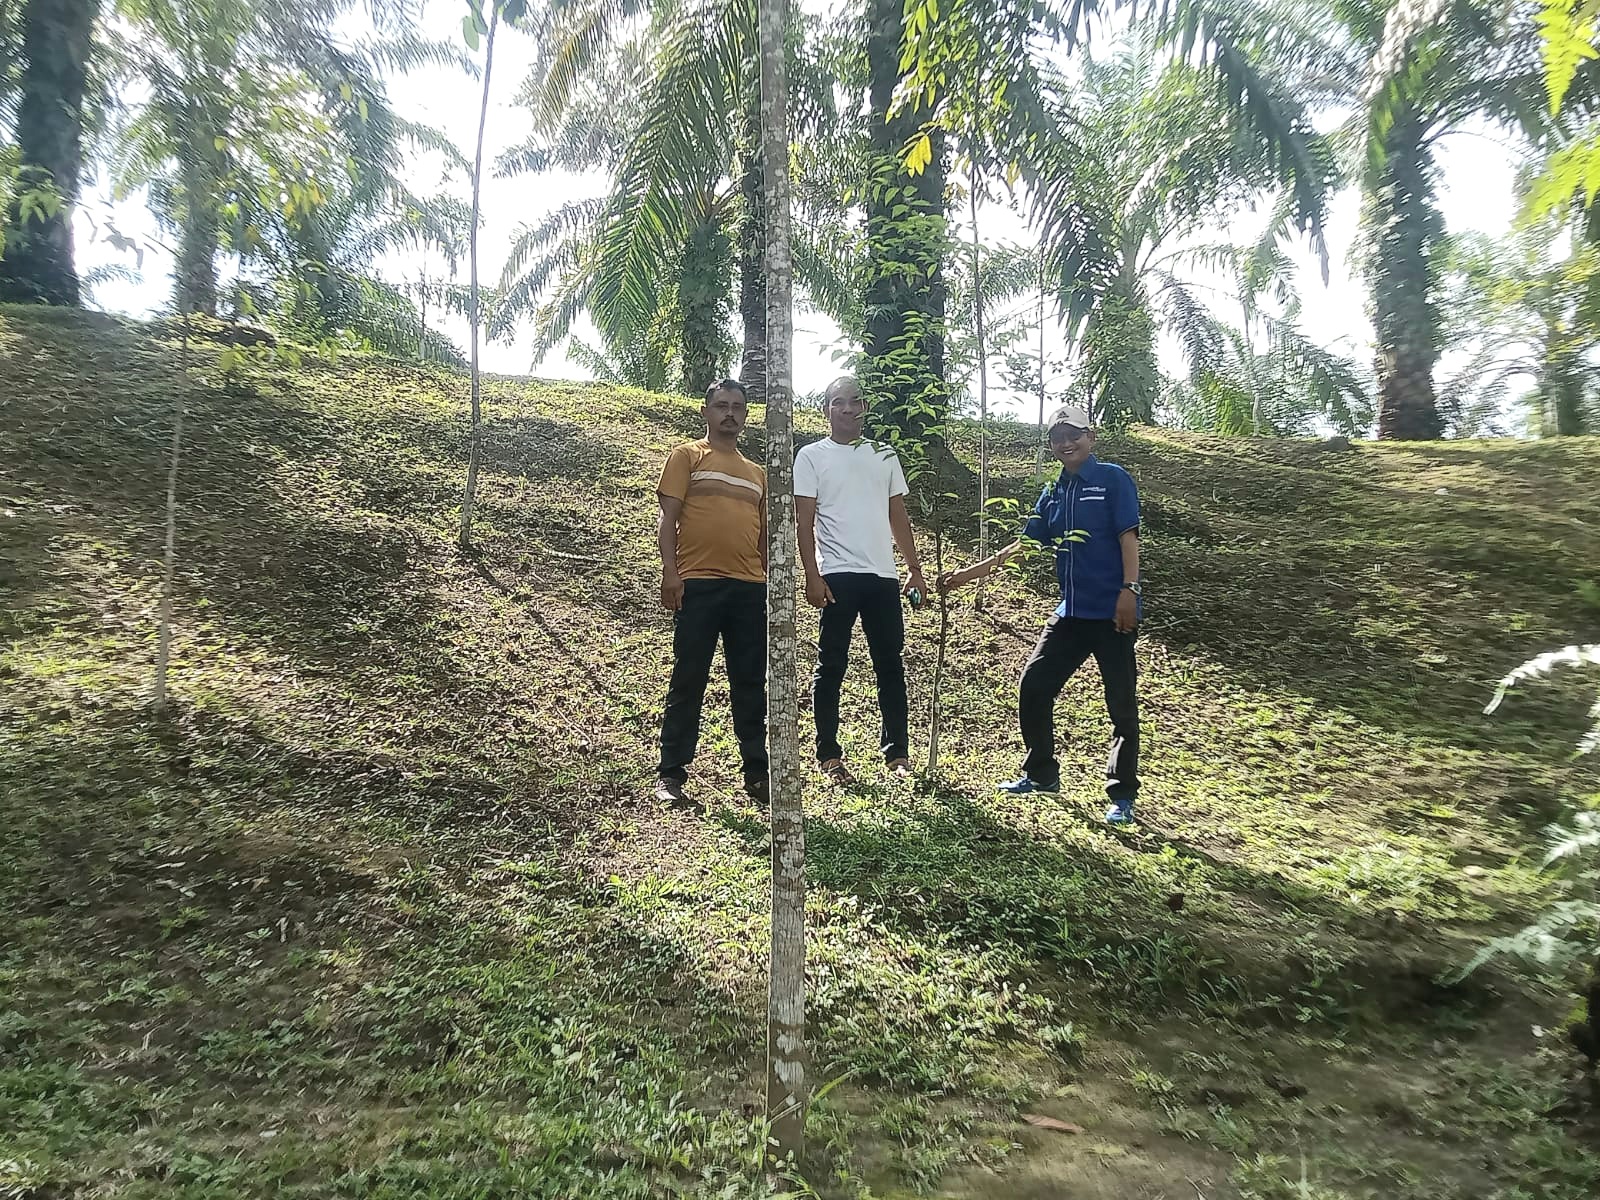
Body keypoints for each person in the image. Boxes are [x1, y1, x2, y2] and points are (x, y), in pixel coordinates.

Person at [938, 404, 1144, 824]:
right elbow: (1024, 546)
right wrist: (964, 577)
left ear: (1091, 437)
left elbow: (1129, 537)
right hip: (1071, 614)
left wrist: (1130, 590)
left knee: (1120, 703)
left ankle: (1122, 794)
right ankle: (1041, 774)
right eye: (1057, 437)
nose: (1066, 443)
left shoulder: (1112, 480)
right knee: (1034, 685)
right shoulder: (1054, 491)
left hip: (1112, 612)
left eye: (1074, 435)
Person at [795, 375, 928, 784]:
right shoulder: (811, 456)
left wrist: (914, 569)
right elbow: (804, 521)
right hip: (837, 575)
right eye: (839, 402)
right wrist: (812, 574)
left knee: (890, 665)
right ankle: (829, 755)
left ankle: (897, 754)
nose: (848, 409)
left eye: (855, 401)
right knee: (831, 664)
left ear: (865, 408)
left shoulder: (883, 455)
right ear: (826, 409)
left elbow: (897, 515)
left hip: (882, 576)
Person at [654, 379, 769, 807]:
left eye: (737, 407)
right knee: (689, 679)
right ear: (706, 411)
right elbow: (668, 519)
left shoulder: (757, 474)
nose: (730, 414)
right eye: (721, 406)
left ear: (746, 415)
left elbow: (763, 537)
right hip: (698, 584)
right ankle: (671, 773)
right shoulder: (687, 456)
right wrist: (671, 572)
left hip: (749, 589)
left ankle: (757, 774)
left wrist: (770, 583)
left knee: (750, 683)